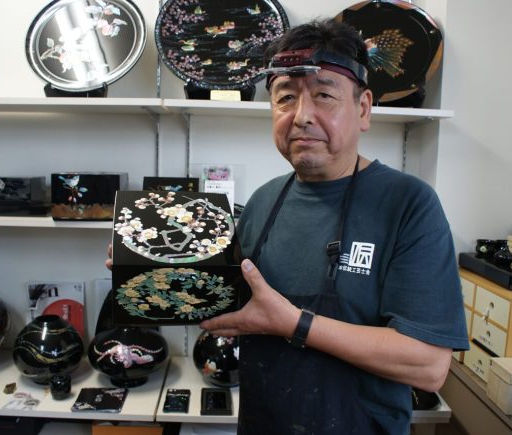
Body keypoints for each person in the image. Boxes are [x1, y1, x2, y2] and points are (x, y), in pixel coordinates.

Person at [196, 19, 470, 435]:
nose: (302, 116)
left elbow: (429, 365)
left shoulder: (408, 205)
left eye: (324, 95)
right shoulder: (262, 202)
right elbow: (232, 308)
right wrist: (148, 267)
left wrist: (294, 323)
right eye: (285, 98)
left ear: (363, 109)